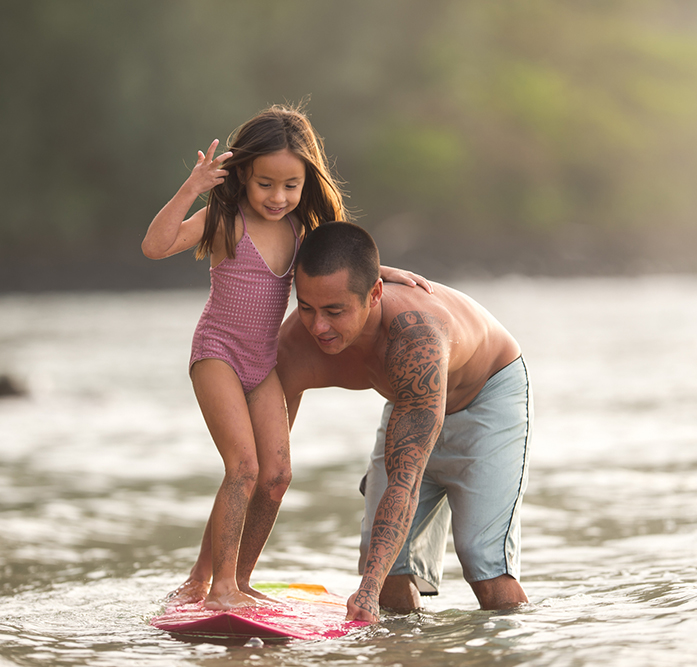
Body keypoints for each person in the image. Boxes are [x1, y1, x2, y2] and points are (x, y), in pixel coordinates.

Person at [141, 106, 426, 610]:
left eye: (290, 185)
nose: (278, 197)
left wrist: (389, 274)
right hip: (219, 355)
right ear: (244, 177)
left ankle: (240, 580)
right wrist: (194, 188)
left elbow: (347, 262)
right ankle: (217, 586)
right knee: (243, 467)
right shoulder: (226, 220)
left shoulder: (301, 232)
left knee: (275, 477)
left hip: (263, 364)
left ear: (305, 183)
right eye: (265, 184)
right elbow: (155, 245)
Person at [277, 222, 532, 622]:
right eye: (306, 308)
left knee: (483, 563)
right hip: (412, 401)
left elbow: (404, 481)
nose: (318, 327)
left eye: (334, 311)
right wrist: (224, 579)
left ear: (374, 293)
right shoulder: (296, 343)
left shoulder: (415, 343)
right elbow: (264, 470)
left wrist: (365, 592)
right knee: (385, 567)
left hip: (486, 397)